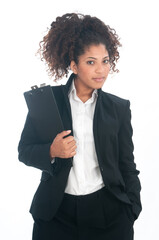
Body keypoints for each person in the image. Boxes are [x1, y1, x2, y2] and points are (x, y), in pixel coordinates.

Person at [18, 13, 142, 240]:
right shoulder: (47, 101)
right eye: (91, 62)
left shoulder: (119, 108)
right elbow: (24, 151)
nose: (101, 70)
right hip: (57, 214)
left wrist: (132, 209)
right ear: (74, 66)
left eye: (105, 61)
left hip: (108, 213)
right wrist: (52, 151)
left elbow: (127, 164)